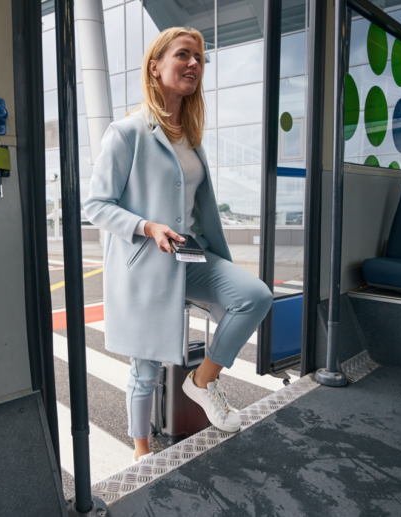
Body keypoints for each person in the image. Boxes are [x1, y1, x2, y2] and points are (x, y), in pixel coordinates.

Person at [83, 27, 273, 463]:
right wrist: (147, 227)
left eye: (199, 59)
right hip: (149, 261)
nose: (193, 64)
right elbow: (96, 204)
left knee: (255, 296)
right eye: (183, 55)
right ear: (155, 66)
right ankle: (141, 452)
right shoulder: (127, 131)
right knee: (145, 368)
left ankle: (202, 381)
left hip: (191, 254)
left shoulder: (190, 138)